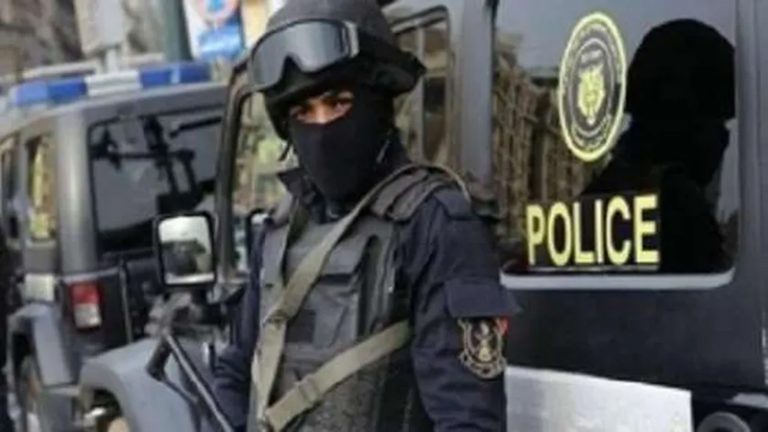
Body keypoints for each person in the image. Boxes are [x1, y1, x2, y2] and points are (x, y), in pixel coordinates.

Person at [213, 0, 518, 430]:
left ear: (378, 105)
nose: (322, 126)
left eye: (338, 103)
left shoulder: (434, 223)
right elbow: (236, 371)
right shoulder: (280, 230)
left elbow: (467, 418)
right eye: (303, 112)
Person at [583, 19, 734, 273]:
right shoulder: (677, 207)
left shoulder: (607, 193)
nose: (723, 139)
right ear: (683, 114)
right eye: (716, 120)